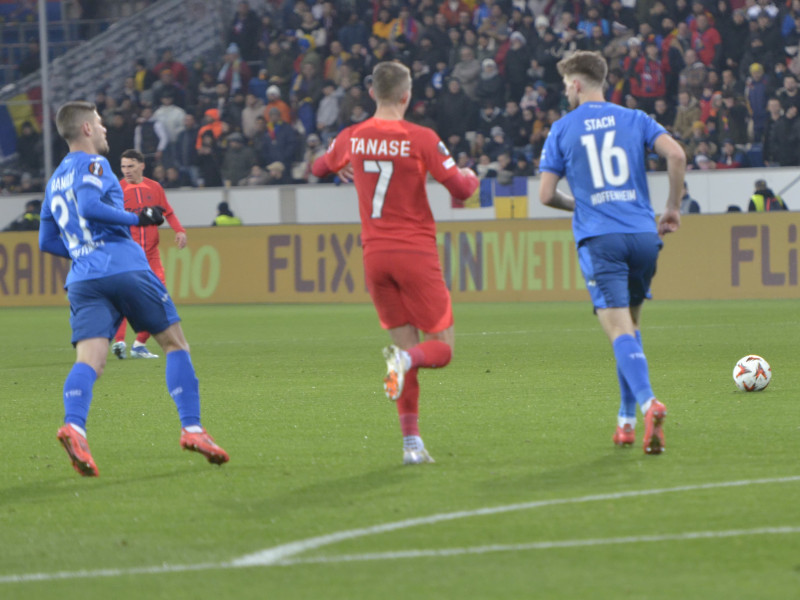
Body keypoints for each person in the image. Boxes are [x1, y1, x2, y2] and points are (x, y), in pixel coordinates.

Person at [39, 101, 228, 477]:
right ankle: (192, 429)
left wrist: (82, 251)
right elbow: (92, 206)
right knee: (175, 343)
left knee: (90, 360)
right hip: (123, 265)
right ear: (87, 130)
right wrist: (137, 217)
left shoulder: (54, 180)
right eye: (99, 122)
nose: (105, 128)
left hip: (83, 278)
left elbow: (47, 239)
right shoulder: (93, 164)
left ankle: (74, 427)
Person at [311, 61, 479, 465]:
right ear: (407, 95)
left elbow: (318, 168)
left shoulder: (353, 137)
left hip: (375, 258)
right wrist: (472, 176)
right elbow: (460, 189)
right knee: (439, 349)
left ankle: (411, 445)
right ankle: (403, 361)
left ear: (372, 93)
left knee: (407, 349)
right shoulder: (421, 138)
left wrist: (341, 166)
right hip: (415, 254)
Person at [538, 51, 686, 455]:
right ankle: (625, 422)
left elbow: (546, 195)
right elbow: (676, 155)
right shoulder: (635, 118)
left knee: (618, 331)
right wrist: (672, 206)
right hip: (642, 237)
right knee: (631, 329)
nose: (566, 91)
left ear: (576, 84)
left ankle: (648, 403)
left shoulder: (562, 129)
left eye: (566, 85)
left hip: (601, 239)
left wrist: (582, 206)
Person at [110, 149, 188, 359]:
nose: (126, 171)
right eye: (123, 166)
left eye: (131, 166)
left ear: (142, 166)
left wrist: (179, 230)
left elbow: (167, 212)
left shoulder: (155, 187)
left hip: (151, 255)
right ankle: (119, 342)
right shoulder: (116, 190)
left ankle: (139, 345)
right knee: (126, 298)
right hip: (128, 253)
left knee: (158, 298)